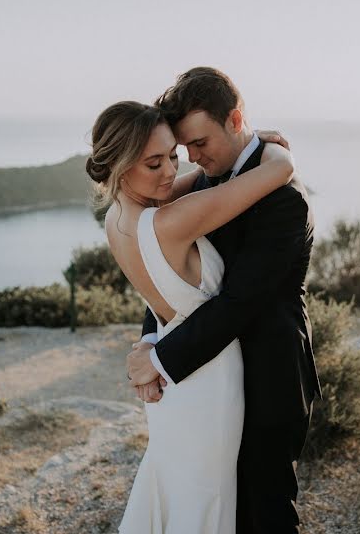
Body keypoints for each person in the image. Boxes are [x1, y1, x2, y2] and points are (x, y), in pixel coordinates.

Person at [126, 67, 322, 533]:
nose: (191, 158)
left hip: (269, 374)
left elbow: (239, 301)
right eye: (184, 148)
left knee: (266, 509)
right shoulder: (209, 181)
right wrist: (149, 337)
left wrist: (161, 358)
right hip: (212, 381)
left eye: (199, 144)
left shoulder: (285, 201)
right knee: (220, 509)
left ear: (235, 120)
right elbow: (169, 273)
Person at [86, 97, 294, 533]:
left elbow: (200, 178)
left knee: (180, 491)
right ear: (124, 168)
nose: (169, 172)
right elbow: (278, 172)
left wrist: (148, 342)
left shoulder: (118, 217)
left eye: (173, 156)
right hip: (211, 381)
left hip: (175, 384)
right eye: (154, 163)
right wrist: (264, 144)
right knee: (208, 502)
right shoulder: (172, 221)